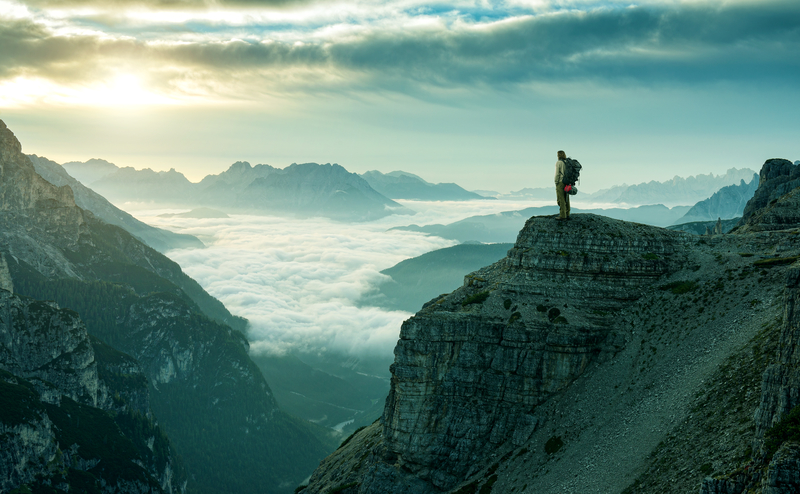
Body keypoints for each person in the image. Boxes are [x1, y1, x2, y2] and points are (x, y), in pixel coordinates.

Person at [554, 150, 570, 220]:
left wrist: (556, 182)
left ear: (558, 155)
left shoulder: (559, 163)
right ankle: (567, 213)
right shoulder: (567, 162)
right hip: (567, 182)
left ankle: (562, 215)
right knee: (566, 197)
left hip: (560, 182)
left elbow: (557, 173)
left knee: (561, 198)